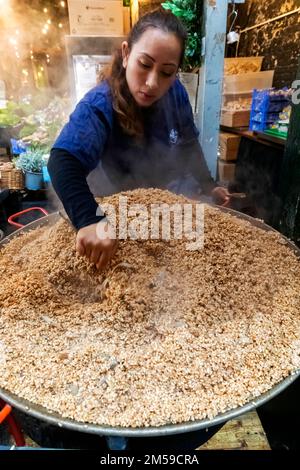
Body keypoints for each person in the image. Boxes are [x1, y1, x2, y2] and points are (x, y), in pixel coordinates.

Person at [48, 8, 229, 271]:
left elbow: (189, 144)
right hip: (113, 216)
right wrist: (90, 220)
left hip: (164, 215)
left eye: (167, 72)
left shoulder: (176, 93)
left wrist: (208, 184)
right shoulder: (100, 103)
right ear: (126, 54)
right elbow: (62, 161)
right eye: (144, 65)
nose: (153, 82)